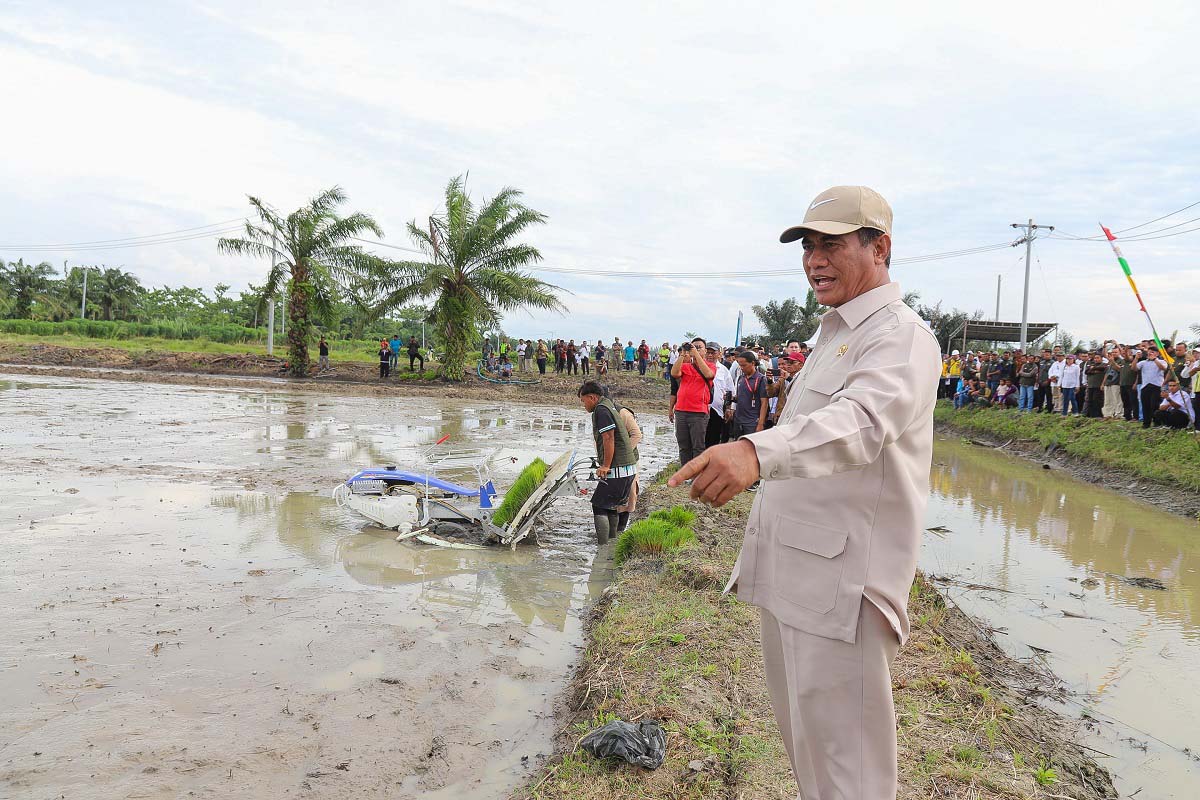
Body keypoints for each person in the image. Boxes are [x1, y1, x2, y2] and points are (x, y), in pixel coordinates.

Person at [669, 185, 940, 800]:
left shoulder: (899, 336)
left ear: (881, 248)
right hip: (796, 575)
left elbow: (862, 423)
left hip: (843, 590)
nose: (815, 260)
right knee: (809, 753)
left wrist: (754, 452)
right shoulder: (834, 335)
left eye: (832, 245)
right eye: (809, 246)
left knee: (850, 771)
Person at [578, 381, 636, 545]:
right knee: (610, 505)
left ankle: (603, 547)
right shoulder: (608, 404)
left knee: (599, 505)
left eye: (584, 401)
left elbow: (608, 438)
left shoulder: (601, 410)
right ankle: (611, 543)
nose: (584, 405)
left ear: (592, 397)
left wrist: (605, 466)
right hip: (628, 468)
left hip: (618, 469)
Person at [670, 337, 715, 465]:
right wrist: (683, 354)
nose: (695, 349)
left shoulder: (711, 366)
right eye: (694, 346)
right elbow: (674, 373)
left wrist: (695, 353)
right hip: (681, 411)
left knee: (698, 446)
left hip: (698, 413)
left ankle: (697, 473)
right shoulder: (686, 366)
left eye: (699, 347)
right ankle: (685, 472)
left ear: (705, 351)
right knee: (683, 444)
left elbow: (708, 375)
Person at [613, 399, 643, 532]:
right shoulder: (599, 414)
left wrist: (622, 454)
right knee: (612, 495)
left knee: (630, 493)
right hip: (611, 461)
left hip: (629, 460)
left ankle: (620, 530)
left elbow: (636, 435)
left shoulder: (623, 414)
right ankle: (612, 530)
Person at [704, 341, 737, 447]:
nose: (710, 355)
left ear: (719, 354)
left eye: (713, 353)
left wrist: (729, 408)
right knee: (699, 440)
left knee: (713, 439)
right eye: (707, 352)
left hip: (717, 411)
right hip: (701, 409)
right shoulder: (698, 367)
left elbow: (730, 390)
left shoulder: (723, 370)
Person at [731, 350, 769, 437]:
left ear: (752, 363)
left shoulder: (761, 379)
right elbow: (740, 397)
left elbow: (764, 403)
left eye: (744, 365)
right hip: (739, 420)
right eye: (740, 365)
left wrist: (760, 423)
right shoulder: (741, 378)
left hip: (752, 422)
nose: (741, 368)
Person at [1134, 346, 1168, 429]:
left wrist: (1155, 359)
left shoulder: (1162, 361)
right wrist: (1136, 358)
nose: (1150, 353)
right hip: (1145, 386)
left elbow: (1163, 368)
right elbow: (1134, 368)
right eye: (1149, 351)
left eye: (1152, 352)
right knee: (1146, 405)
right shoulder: (1143, 362)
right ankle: (1146, 423)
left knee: (1155, 405)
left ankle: (1157, 423)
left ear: (1157, 353)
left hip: (1157, 386)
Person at [1083, 352, 1106, 418]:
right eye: (1095, 358)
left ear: (1101, 358)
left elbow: (1102, 368)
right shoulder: (1091, 364)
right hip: (1090, 386)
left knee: (1097, 401)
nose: (1096, 359)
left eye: (1097, 358)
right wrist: (1094, 370)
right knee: (1090, 401)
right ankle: (1091, 415)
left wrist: (1093, 369)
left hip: (1098, 386)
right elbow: (1086, 372)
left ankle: (1098, 415)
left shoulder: (1104, 364)